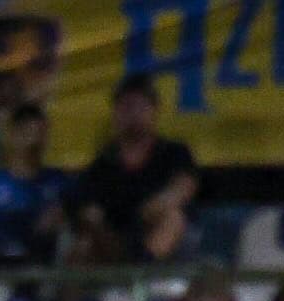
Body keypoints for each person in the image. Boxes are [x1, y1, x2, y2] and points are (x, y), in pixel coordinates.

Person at [70, 74, 197, 263]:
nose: (133, 114)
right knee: (82, 246)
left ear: (154, 110)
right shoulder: (102, 164)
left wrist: (151, 210)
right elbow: (88, 207)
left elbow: (183, 188)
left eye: (140, 106)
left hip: (161, 240)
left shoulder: (174, 153)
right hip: (114, 240)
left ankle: (141, 274)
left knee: (173, 218)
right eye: (126, 106)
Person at [0, 102, 69, 263]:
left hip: (39, 263)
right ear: (13, 134)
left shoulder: (58, 181)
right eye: (27, 132)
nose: (34, 140)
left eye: (40, 134)